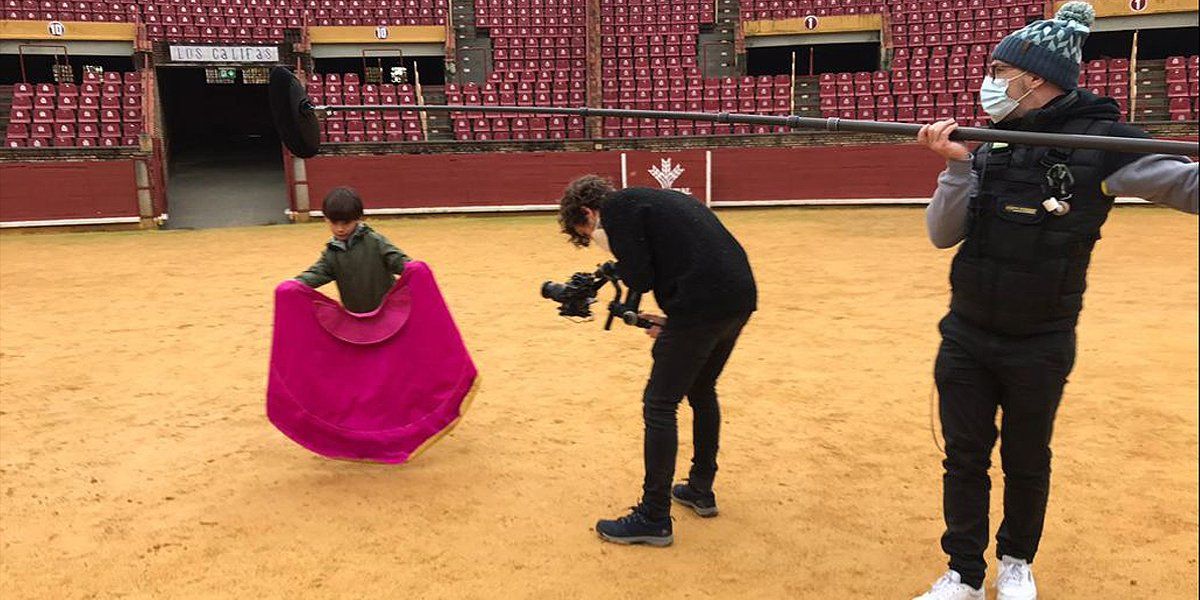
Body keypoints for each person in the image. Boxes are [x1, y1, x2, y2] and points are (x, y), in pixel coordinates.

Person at [910, 3, 1198, 599]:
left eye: (998, 70)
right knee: (963, 457)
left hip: (1041, 341)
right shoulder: (989, 144)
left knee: (1026, 458)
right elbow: (942, 234)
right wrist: (955, 170)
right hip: (966, 334)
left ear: (1033, 76)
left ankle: (1016, 562)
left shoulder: (1101, 146)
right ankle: (963, 573)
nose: (989, 81)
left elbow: (1186, 185)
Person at [557, 175, 757, 547]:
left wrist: (679, 322)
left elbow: (641, 277)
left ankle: (653, 516)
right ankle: (700, 489)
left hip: (702, 306)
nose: (595, 239)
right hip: (737, 299)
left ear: (587, 212)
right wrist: (675, 322)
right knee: (701, 389)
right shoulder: (652, 202)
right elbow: (677, 262)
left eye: (587, 233)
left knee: (659, 404)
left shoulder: (616, 211)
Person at [295, 187, 412, 313]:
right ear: (326, 219)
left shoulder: (376, 242)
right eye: (334, 223)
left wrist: (414, 268)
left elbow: (399, 262)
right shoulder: (331, 253)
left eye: (346, 223)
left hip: (389, 313)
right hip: (355, 316)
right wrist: (295, 284)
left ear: (358, 218)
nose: (340, 229)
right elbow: (316, 273)